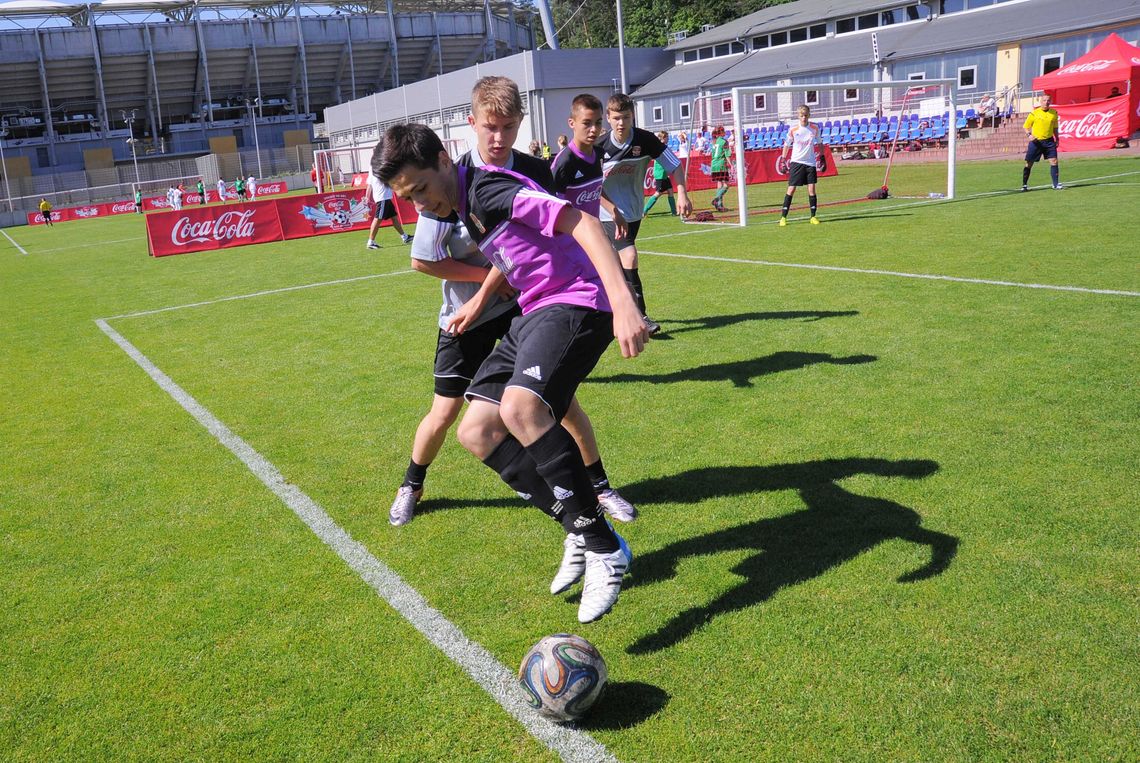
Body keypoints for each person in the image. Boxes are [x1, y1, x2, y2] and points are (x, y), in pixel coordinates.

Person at [375, 122, 646, 623]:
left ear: (442, 160)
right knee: (476, 431)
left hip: (578, 301)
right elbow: (512, 253)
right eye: (408, 199)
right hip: (534, 309)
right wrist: (480, 300)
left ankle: (604, 547)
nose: (421, 205)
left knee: (524, 409)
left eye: (421, 190)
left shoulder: (491, 189)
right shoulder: (464, 206)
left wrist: (625, 301)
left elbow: (582, 224)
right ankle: (579, 529)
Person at [387, 76, 637, 533]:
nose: (499, 138)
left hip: (530, 303)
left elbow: (538, 239)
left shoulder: (528, 173)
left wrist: (619, 297)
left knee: (551, 405)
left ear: (521, 123)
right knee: (455, 417)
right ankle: (412, 484)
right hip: (469, 316)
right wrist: (482, 292)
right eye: (490, 127)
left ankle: (596, 498)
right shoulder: (441, 182)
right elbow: (425, 260)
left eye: (508, 127)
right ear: (472, 124)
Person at [598, 92, 692, 336]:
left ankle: (608, 311)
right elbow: (590, 188)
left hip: (633, 212)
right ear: (608, 118)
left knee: (616, 265)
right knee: (629, 256)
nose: (621, 123)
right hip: (607, 214)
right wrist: (612, 210)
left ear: (633, 117)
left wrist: (681, 193)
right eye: (616, 118)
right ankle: (641, 317)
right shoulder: (599, 147)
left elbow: (675, 165)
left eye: (626, 117)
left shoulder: (646, 140)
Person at [778, 104, 824, 226]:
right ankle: (783, 217)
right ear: (798, 116)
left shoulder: (814, 128)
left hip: (810, 163)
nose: (804, 117)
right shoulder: (793, 130)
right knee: (791, 189)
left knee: (812, 189)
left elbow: (819, 142)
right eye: (801, 115)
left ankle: (813, 216)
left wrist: (822, 156)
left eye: (805, 115)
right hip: (796, 162)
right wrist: (783, 159)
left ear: (809, 115)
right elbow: (787, 144)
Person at [1022, 93, 1062, 191]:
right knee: (1029, 163)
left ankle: (1055, 184)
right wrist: (1029, 135)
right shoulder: (1034, 113)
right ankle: (1024, 185)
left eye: (1048, 100)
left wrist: (1057, 138)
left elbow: (1055, 127)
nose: (1046, 102)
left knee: (1054, 161)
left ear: (1050, 102)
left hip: (1049, 141)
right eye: (1044, 100)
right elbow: (1026, 126)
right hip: (1036, 142)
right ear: (1040, 102)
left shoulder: (1054, 113)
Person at [365, 169, 411, 248]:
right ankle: (371, 242)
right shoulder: (378, 167)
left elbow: (369, 184)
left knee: (394, 218)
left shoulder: (373, 167)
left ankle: (405, 237)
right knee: (377, 219)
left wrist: (367, 197)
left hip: (385, 198)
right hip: (382, 198)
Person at [643, 131, 677, 216]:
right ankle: (644, 211)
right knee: (658, 193)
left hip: (664, 174)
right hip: (660, 174)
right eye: (667, 137)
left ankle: (674, 212)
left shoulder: (663, 146)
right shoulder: (660, 147)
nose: (668, 139)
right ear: (663, 138)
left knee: (670, 191)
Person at [709, 125, 732, 212]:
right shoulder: (724, 141)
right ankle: (716, 199)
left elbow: (712, 153)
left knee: (719, 185)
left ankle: (720, 206)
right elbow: (727, 154)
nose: (725, 132)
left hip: (714, 164)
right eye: (724, 131)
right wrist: (731, 165)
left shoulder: (714, 141)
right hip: (721, 164)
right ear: (721, 132)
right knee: (726, 185)